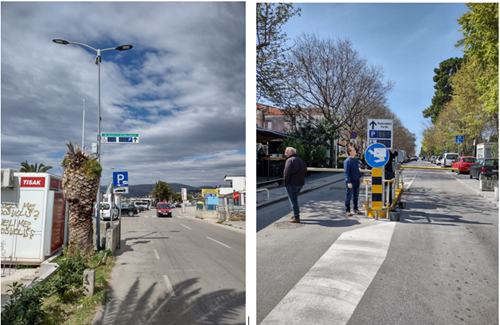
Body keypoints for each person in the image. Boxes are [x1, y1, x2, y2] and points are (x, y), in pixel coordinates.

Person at [283, 147, 307, 223]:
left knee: (293, 200)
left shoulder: (289, 160)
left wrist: (285, 183)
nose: (285, 153)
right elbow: (305, 170)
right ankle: (295, 213)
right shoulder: (300, 160)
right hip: (300, 183)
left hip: (292, 183)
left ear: (291, 152)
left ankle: (296, 217)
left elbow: (286, 173)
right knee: (294, 199)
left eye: (286, 152)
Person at [344, 146, 363, 216]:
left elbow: (357, 169)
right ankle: (347, 210)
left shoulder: (355, 160)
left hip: (357, 180)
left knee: (356, 195)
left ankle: (355, 209)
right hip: (351, 181)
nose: (355, 151)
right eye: (354, 150)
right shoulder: (347, 161)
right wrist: (348, 182)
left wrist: (360, 176)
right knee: (349, 196)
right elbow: (346, 173)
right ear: (350, 152)